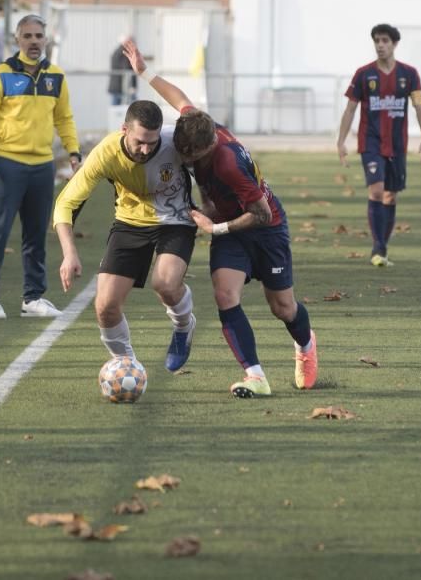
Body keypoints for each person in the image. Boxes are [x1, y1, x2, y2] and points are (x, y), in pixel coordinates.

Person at [123, 40, 318, 397]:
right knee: (225, 294)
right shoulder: (196, 125)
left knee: (283, 307)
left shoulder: (227, 162)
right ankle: (256, 376)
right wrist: (144, 72)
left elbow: (260, 213)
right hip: (229, 229)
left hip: (264, 228)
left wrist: (216, 228)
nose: (185, 159)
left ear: (208, 147)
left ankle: (305, 346)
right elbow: (177, 96)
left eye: (191, 156)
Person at [54, 100, 197, 374]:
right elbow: (65, 204)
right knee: (106, 307)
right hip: (130, 222)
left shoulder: (174, 140)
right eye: (140, 142)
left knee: (165, 284)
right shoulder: (105, 153)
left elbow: (213, 144)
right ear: (124, 130)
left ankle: (183, 325)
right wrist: (69, 253)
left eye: (152, 143)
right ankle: (126, 365)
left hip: (176, 220)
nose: (146, 149)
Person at [0, 14, 82, 320]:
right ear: (17, 40)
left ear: (45, 40)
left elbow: (64, 119)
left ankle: (33, 298)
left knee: (36, 235)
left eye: (38, 36)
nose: (34, 41)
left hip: (42, 167)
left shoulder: (56, 76)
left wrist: (73, 151)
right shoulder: (0, 75)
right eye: (28, 36)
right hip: (4, 166)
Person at [336, 23, 421, 267]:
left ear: (394, 44)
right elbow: (350, 109)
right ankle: (377, 249)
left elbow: (419, 106)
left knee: (390, 196)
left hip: (398, 144)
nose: (380, 45)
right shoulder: (363, 74)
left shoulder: (409, 74)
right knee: (376, 191)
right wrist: (341, 140)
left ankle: (382, 248)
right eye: (377, 40)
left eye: (385, 41)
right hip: (371, 142)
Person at [108, 35, 137, 106]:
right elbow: (126, 69)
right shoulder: (123, 52)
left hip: (118, 85)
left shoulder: (116, 51)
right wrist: (132, 85)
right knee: (133, 107)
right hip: (122, 86)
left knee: (116, 108)